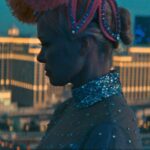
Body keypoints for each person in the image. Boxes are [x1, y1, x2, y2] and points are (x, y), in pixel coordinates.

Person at [8, 0, 143, 149]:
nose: (40, 57)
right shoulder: (67, 108)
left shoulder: (110, 130)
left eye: (47, 44)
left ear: (84, 44)